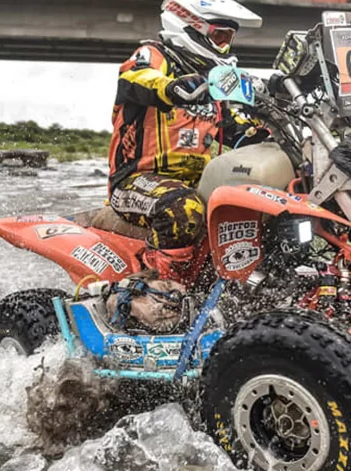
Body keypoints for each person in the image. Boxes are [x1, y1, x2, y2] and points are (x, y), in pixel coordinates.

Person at [104, 0, 267, 275]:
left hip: (194, 182)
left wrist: (265, 132)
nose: (225, 45)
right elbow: (134, 79)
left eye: (228, 38)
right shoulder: (152, 56)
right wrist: (171, 87)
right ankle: (160, 289)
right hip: (134, 182)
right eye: (219, 36)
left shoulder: (212, 82)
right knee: (183, 208)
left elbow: (233, 128)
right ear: (191, 26)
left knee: (254, 200)